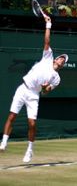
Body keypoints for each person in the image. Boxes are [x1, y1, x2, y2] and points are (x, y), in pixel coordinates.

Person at [0, 15, 68, 163]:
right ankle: (4, 141)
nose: (61, 59)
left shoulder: (57, 78)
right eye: (61, 57)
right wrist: (48, 25)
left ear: (62, 65)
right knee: (12, 116)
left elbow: (47, 91)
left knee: (32, 124)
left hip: (34, 96)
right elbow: (47, 41)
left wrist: (45, 88)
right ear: (56, 58)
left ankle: (30, 150)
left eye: (64, 59)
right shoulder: (48, 56)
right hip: (22, 89)